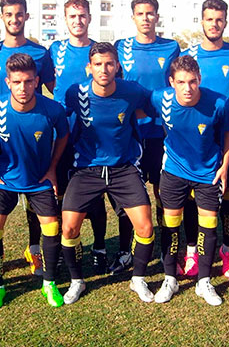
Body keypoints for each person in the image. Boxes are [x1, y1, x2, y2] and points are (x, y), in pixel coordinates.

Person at [60, 42, 155, 304]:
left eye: (110, 63)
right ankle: (77, 281)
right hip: (87, 169)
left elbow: (156, 104)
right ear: (89, 67)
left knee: (145, 226)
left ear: (117, 66)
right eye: (98, 64)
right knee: (68, 228)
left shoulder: (132, 91)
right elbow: (58, 119)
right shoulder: (75, 93)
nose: (104, 69)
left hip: (123, 168)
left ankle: (138, 279)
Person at [0, 53, 68, 309]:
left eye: (28, 81)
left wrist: (52, 168)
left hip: (40, 180)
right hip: (5, 179)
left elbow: (62, 137)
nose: (23, 88)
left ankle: (49, 283)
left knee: (51, 227)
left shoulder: (53, 109)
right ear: (7, 82)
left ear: (37, 80)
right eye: (17, 82)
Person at [148, 56, 229, 305]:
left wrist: (225, 166)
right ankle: (170, 278)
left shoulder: (218, 102)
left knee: (208, 227)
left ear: (200, 79)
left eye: (193, 81)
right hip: (174, 171)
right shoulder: (160, 98)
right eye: (182, 82)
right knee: (170, 225)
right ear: (171, 82)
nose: (188, 88)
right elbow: (138, 107)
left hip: (208, 173)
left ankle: (204, 281)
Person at [0, 0, 56, 276]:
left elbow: (52, 89)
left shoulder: (40, 53)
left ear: (26, 16)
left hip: (34, 134)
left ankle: (35, 249)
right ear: (2, 17)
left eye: (19, 14)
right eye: (9, 14)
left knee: (35, 190)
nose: (14, 19)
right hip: (1, 136)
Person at [113, 0, 180, 275]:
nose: (145, 18)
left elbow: (176, 85)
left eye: (150, 13)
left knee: (164, 194)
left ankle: (169, 249)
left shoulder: (172, 47)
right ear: (133, 17)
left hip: (162, 135)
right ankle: (126, 250)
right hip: (132, 135)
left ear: (157, 16)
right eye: (140, 13)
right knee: (130, 196)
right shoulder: (121, 47)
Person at [181, 0, 229, 279]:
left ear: (225, 23)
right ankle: (193, 253)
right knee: (193, 199)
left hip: (228, 139)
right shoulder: (187, 55)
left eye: (219, 20)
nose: (214, 24)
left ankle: (228, 252)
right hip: (196, 143)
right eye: (210, 19)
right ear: (202, 21)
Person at [49, 0, 109, 274]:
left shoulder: (97, 51)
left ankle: (99, 247)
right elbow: (52, 84)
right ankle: (67, 247)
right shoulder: (55, 50)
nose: (77, 21)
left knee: (94, 195)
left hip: (91, 134)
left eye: (82, 15)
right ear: (65, 19)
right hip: (63, 132)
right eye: (72, 16)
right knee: (61, 193)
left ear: (89, 18)